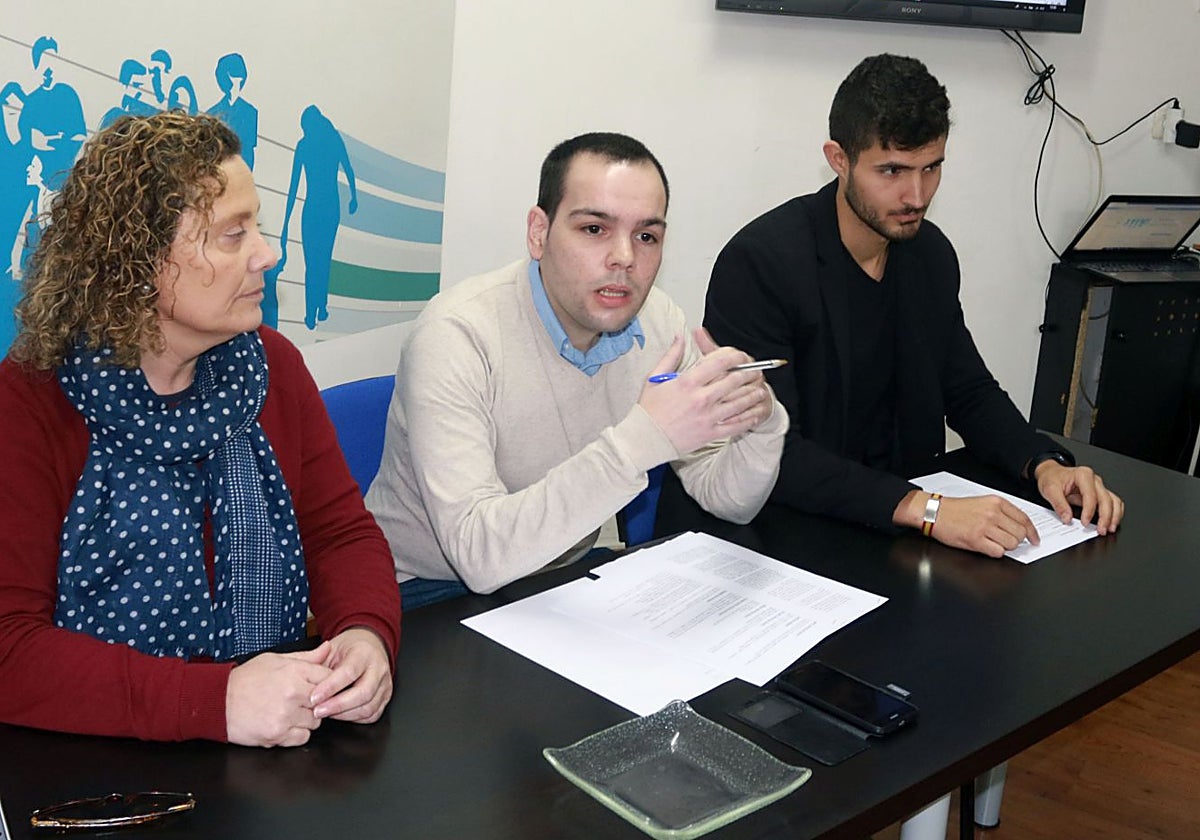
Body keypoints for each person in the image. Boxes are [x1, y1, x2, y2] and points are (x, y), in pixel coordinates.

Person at [0, 112, 400, 747]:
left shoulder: (272, 367)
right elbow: (10, 649)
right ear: (137, 262)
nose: (267, 253)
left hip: (275, 729)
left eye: (257, 226)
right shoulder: (31, 399)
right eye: (232, 235)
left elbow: (339, 535)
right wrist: (212, 701)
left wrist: (364, 632)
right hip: (94, 755)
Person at [698, 54, 1124, 557]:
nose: (916, 195)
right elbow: (771, 454)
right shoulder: (761, 264)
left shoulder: (929, 254)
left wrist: (1044, 464)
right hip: (790, 534)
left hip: (902, 525)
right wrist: (928, 509)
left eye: (932, 168)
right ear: (838, 159)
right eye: (892, 171)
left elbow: (967, 390)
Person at [366, 132, 787, 605]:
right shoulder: (456, 334)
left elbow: (728, 501)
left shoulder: (659, 322)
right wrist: (642, 439)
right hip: (428, 592)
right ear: (539, 233)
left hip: (558, 574)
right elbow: (478, 556)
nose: (625, 258)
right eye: (594, 229)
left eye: (646, 236)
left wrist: (761, 424)